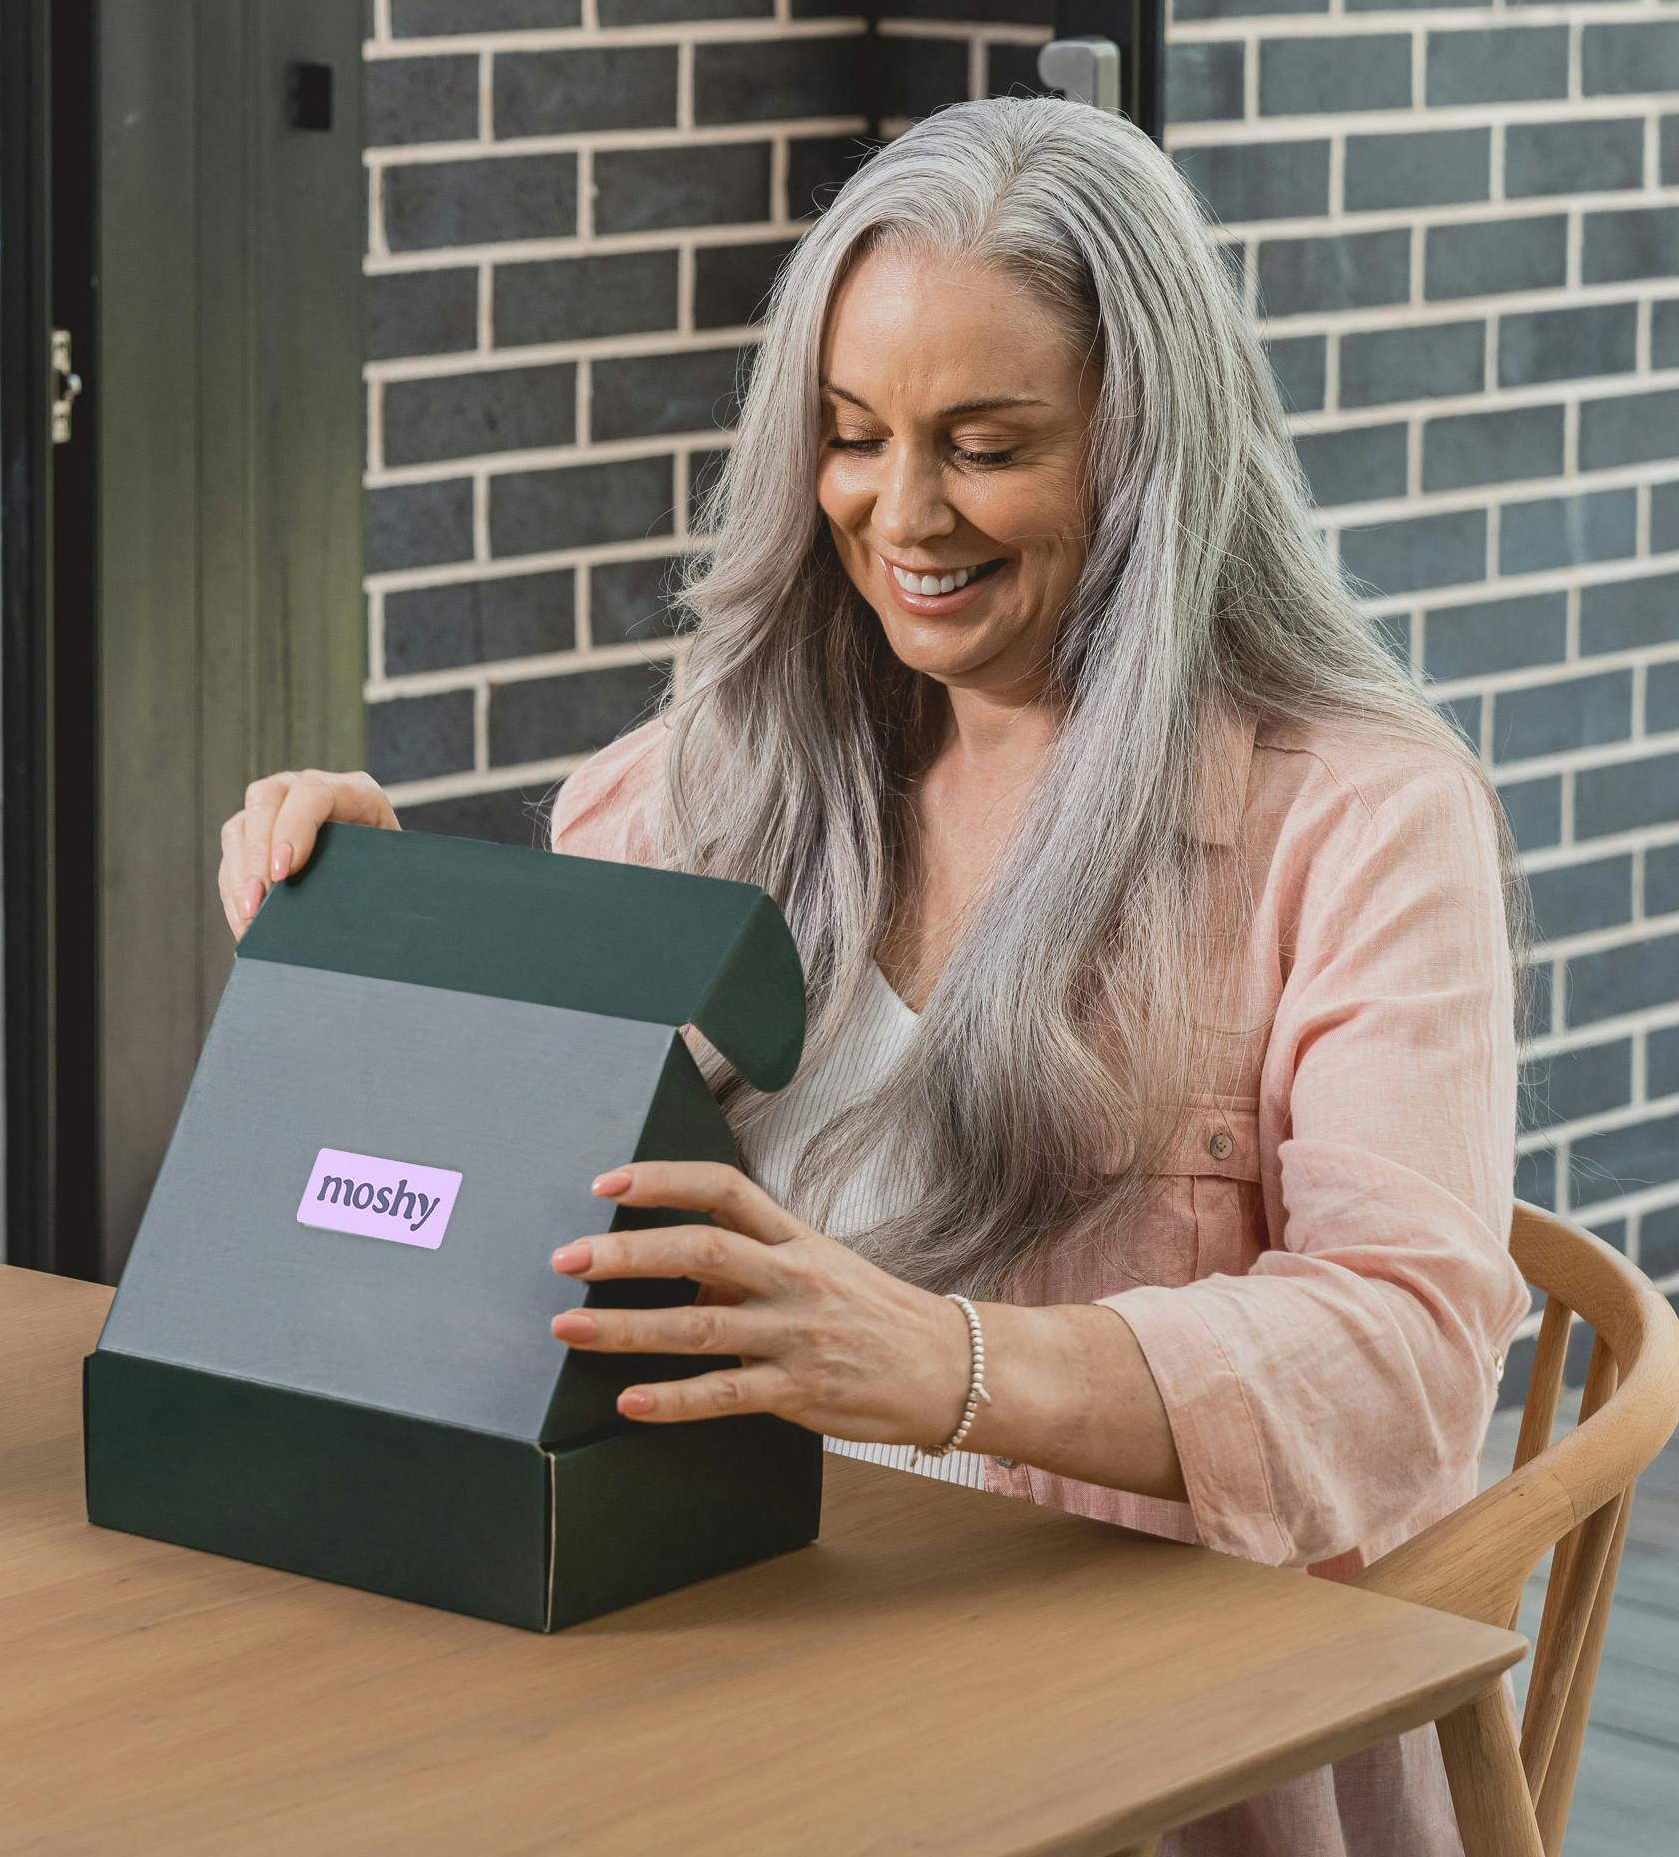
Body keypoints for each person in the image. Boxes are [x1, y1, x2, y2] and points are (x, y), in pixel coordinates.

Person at [216, 95, 1532, 1855]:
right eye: (854, 435)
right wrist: (377, 941)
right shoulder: (713, 770)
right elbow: (493, 1203)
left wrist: (949, 1365)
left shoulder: (1361, 820)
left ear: (1145, 450)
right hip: (699, 1650)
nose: (900, 512)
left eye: (986, 446)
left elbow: (1412, 1351)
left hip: (1107, 1739)